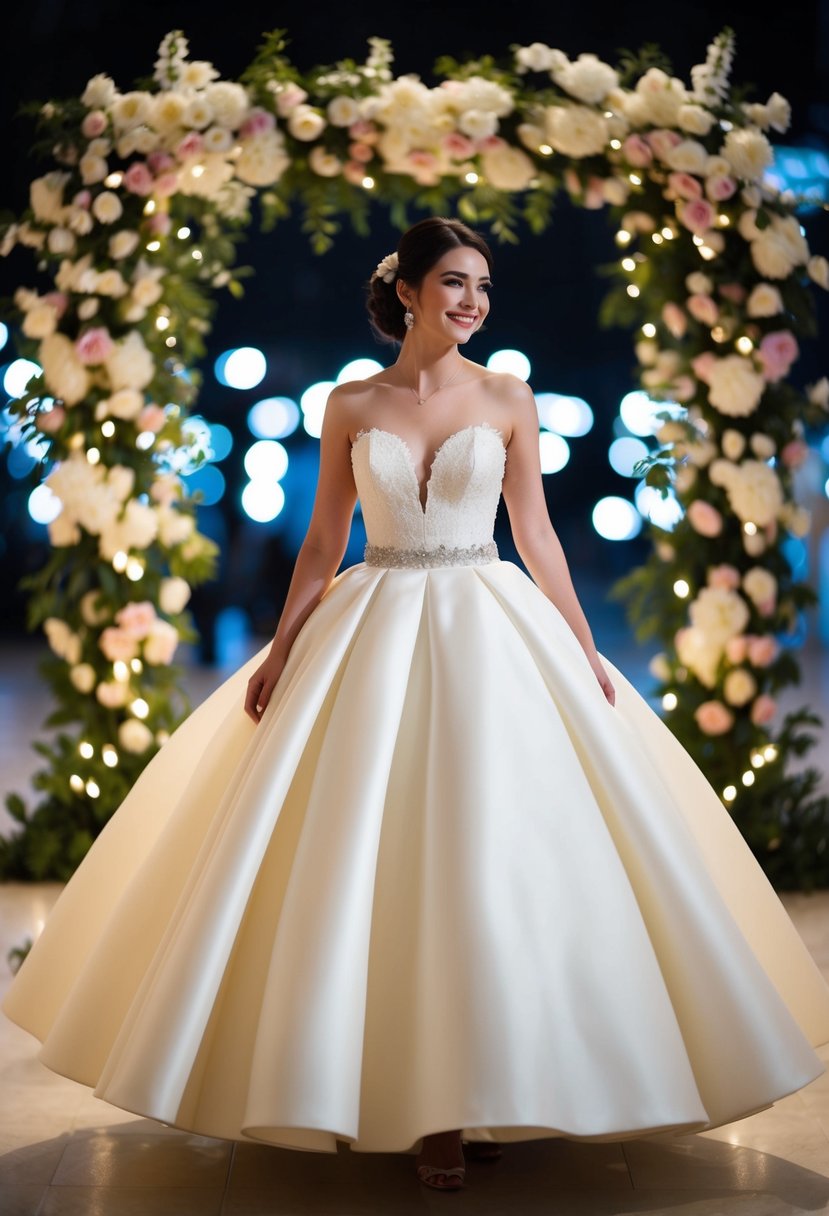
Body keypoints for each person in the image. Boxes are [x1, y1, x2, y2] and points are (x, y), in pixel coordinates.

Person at [4, 217, 829, 1195]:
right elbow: (321, 542)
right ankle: (418, 1106)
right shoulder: (351, 404)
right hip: (377, 618)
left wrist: (580, 643)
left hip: (490, 621)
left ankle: (493, 1085)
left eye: (483, 284)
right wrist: (283, 646)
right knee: (379, 852)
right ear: (405, 290)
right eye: (453, 281)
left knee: (492, 856)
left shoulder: (511, 396)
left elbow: (538, 534)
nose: (472, 300)